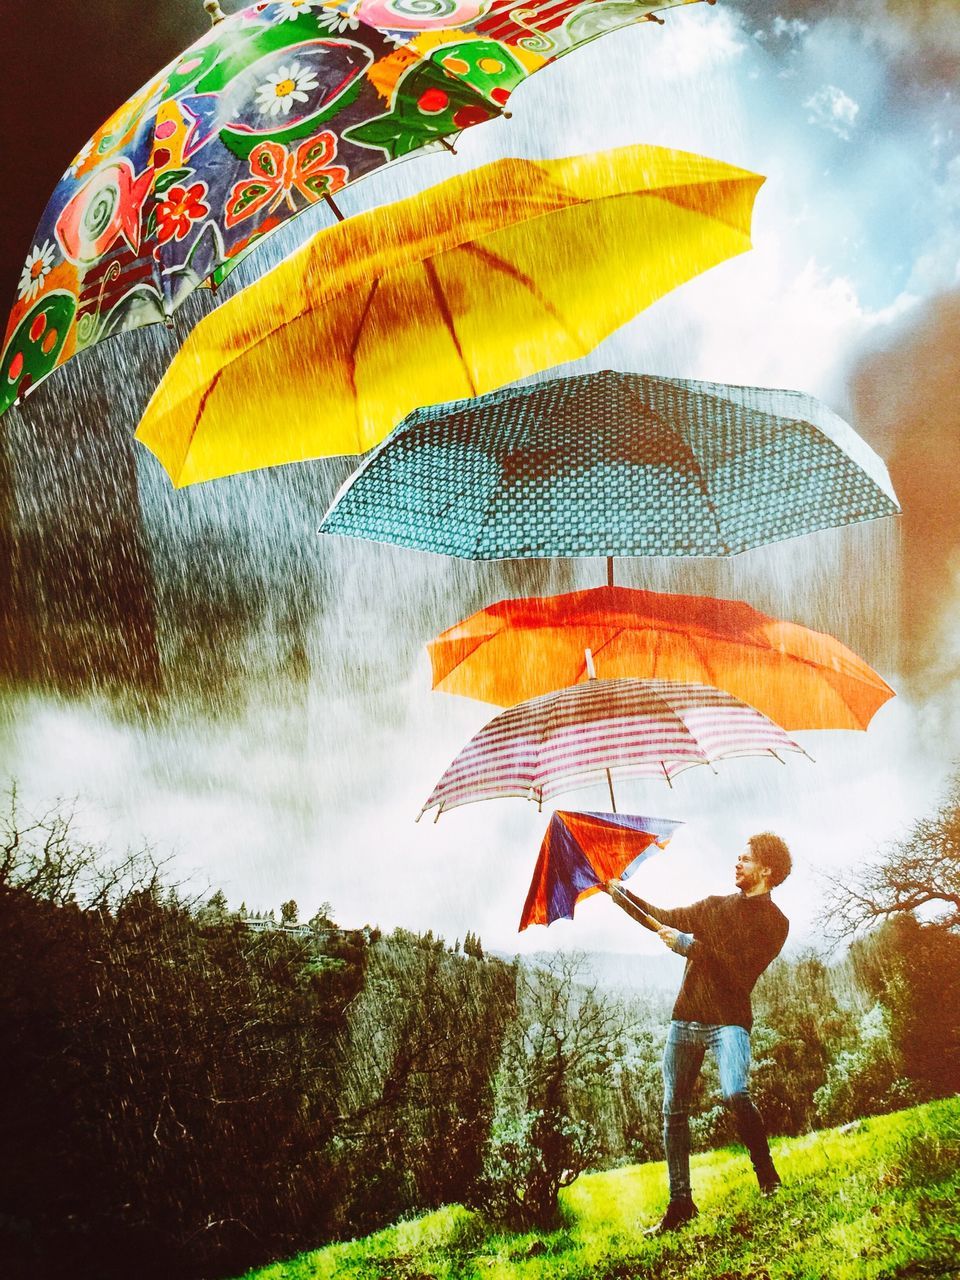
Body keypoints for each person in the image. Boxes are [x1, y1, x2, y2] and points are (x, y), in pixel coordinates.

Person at [605, 832, 791, 1234]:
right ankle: (681, 1203)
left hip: (730, 1021)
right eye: (737, 857)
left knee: (735, 1092)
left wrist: (691, 946)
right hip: (686, 1018)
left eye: (745, 859)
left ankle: (767, 1175)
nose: (736, 863)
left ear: (767, 870)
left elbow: (740, 972)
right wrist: (619, 893)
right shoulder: (713, 906)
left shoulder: (776, 924)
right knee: (674, 1109)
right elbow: (662, 916)